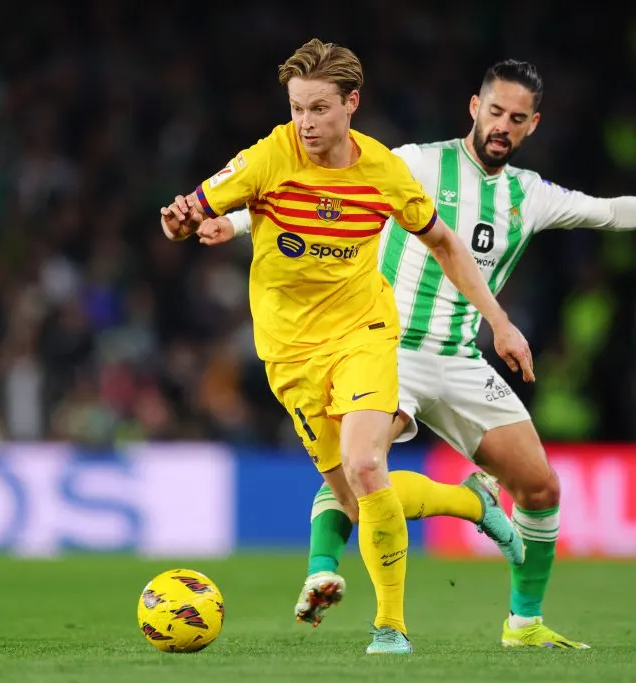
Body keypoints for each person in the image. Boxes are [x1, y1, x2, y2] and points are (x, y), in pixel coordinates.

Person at [201, 59, 636, 649]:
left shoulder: (530, 195)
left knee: (540, 489)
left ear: (532, 125)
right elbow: (311, 194)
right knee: (363, 465)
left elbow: (606, 210)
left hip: (460, 358)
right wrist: (234, 225)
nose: (502, 126)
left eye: (516, 119)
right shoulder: (414, 161)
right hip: (384, 344)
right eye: (494, 112)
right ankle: (324, 566)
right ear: (474, 107)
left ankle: (524, 624)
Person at [161, 40, 533, 655]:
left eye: (317, 109)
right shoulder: (266, 159)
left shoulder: (385, 171)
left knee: (366, 465)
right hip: (288, 353)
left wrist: (500, 320)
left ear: (351, 103)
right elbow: (186, 212)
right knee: (359, 504)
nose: (304, 124)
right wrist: (179, 221)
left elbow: (443, 243)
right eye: (296, 109)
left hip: (363, 332)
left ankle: (390, 628)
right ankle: (472, 502)